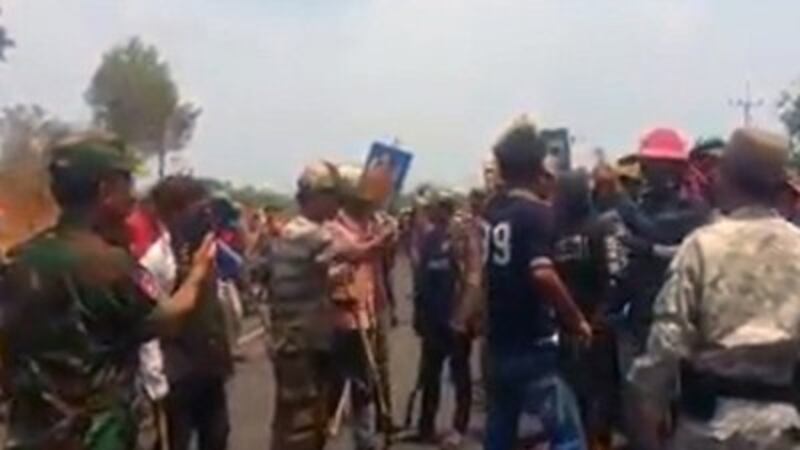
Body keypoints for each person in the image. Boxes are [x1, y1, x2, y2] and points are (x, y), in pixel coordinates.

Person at [0, 133, 215, 450]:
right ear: (105, 191)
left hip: (34, 432)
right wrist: (198, 273)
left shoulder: (19, 260)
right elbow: (166, 319)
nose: (132, 194)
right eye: (126, 182)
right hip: (96, 434)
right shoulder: (111, 265)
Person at [629, 127, 800, 450]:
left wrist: (647, 413)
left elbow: (667, 342)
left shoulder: (702, 247)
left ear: (726, 178)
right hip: (783, 428)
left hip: (710, 430)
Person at [482, 117, 590, 450]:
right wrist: (576, 320)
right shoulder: (537, 214)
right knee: (568, 435)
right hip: (533, 342)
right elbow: (542, 273)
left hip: (498, 342)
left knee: (500, 429)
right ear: (536, 166)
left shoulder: (492, 214)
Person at [265, 161, 342, 450]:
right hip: (305, 339)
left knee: (287, 414)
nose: (337, 203)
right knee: (305, 420)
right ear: (317, 198)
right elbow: (348, 253)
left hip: (286, 336)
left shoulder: (286, 232)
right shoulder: (316, 235)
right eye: (333, 196)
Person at [159, 179, 234, 450]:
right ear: (172, 213)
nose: (206, 216)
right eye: (198, 209)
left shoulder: (206, 250)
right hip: (177, 370)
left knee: (216, 436)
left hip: (209, 365)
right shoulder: (161, 257)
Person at [326, 164, 394, 450]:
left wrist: (382, 305)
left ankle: (365, 442)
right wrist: (377, 243)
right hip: (341, 321)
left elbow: (377, 269)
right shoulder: (333, 229)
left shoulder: (371, 227)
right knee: (334, 389)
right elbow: (350, 255)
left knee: (365, 385)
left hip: (367, 316)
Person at [412, 191, 473, 447]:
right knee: (429, 376)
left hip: (456, 320)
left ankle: (459, 427)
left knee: (460, 375)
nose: (432, 212)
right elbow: (421, 279)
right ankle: (425, 426)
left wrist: (465, 316)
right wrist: (418, 313)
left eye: (436, 208)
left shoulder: (461, 237)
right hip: (432, 319)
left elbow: (471, 279)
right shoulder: (429, 238)